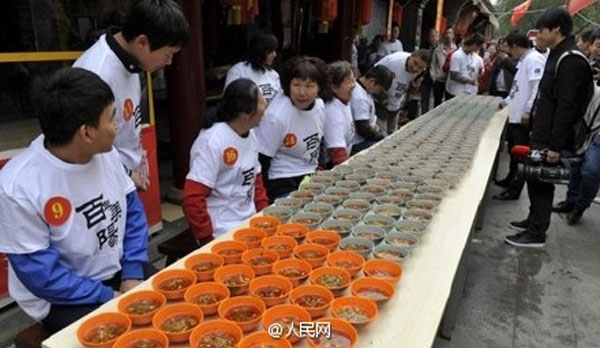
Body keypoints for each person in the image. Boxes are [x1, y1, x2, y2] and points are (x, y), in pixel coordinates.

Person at [0, 68, 154, 333]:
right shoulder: (18, 186)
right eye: (111, 118)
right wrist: (107, 297)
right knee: (124, 334)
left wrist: (131, 273)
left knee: (175, 300)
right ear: (86, 132)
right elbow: (42, 276)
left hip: (116, 270)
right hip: (62, 297)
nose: (117, 126)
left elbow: (133, 214)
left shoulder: (106, 154)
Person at [74, 0, 189, 191]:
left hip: (124, 177)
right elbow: (83, 144)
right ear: (142, 42)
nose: (169, 62)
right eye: (168, 54)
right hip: (104, 183)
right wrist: (126, 174)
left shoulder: (132, 61)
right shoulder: (97, 73)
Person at [505, 8, 594, 248]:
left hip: (553, 137)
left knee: (542, 181)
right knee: (535, 179)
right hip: (542, 131)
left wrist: (555, 145)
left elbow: (567, 106)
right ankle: (534, 220)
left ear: (556, 29)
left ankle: (536, 233)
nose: (537, 36)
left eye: (542, 30)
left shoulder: (571, 59)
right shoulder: (555, 53)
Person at [182, 79, 269, 244]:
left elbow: (256, 181)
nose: (265, 104)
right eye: (260, 101)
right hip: (222, 229)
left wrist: (263, 216)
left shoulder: (250, 134)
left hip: (250, 221)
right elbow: (192, 197)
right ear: (245, 114)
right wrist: (206, 238)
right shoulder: (213, 141)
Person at [254, 56, 328, 202]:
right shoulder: (277, 116)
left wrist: (320, 168)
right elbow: (261, 160)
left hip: (310, 174)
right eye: (296, 85)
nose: (302, 92)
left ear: (319, 87)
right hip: (282, 178)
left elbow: (319, 142)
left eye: (309, 86)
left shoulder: (320, 106)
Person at [552, 29, 600, 224]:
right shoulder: (584, 64)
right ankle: (570, 201)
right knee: (576, 164)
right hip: (582, 124)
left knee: (591, 169)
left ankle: (580, 205)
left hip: (598, 130)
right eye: (598, 45)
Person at [494, 32, 546, 201]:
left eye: (509, 48)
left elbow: (536, 86)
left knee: (521, 155)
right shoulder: (524, 60)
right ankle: (510, 180)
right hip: (515, 115)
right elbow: (517, 89)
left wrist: (527, 110)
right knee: (513, 151)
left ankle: (514, 189)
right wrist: (505, 102)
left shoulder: (534, 59)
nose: (509, 52)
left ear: (515, 46)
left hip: (522, 117)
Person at [374, 50, 430, 135]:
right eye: (415, 63)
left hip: (396, 106)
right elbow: (372, 76)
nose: (415, 68)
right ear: (411, 55)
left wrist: (414, 87)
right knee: (382, 135)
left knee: (393, 134)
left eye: (420, 67)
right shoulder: (394, 61)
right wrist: (382, 97)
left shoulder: (420, 73)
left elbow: (410, 91)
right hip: (380, 103)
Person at [224, 32, 281, 104]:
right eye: (270, 51)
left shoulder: (273, 75)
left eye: (275, 51)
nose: (274, 55)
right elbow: (230, 99)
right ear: (260, 51)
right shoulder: (238, 71)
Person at [350, 65, 393, 155]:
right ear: (372, 82)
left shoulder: (363, 90)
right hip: (358, 142)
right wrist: (381, 137)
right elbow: (363, 128)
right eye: (380, 89)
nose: (379, 93)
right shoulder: (360, 98)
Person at [322, 61, 356, 167]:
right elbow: (337, 154)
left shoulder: (344, 101)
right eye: (348, 82)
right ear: (334, 87)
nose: (353, 85)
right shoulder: (332, 111)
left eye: (353, 80)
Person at [445, 33, 485, 98]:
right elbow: (454, 75)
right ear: (474, 45)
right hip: (456, 92)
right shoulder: (457, 55)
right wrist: (469, 81)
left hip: (470, 92)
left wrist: (480, 72)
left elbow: (479, 71)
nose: (478, 50)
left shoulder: (476, 57)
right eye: (478, 48)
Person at [430, 28, 456, 106]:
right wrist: (433, 76)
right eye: (446, 33)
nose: (448, 35)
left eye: (450, 33)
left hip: (449, 80)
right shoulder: (438, 50)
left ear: (453, 35)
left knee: (449, 103)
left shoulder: (456, 50)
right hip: (438, 80)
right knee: (437, 103)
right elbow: (433, 64)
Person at [421, 28, 439, 114]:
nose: (432, 38)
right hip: (426, 77)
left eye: (433, 36)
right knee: (425, 100)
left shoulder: (440, 49)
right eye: (430, 37)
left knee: (436, 99)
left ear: (437, 37)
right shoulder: (424, 49)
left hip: (437, 78)